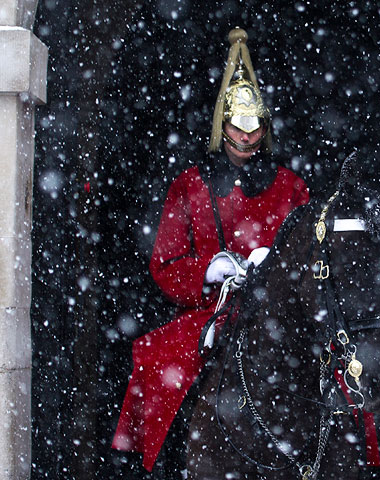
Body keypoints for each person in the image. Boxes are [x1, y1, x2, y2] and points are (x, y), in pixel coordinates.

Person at [112, 27, 310, 472]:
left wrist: (276, 268)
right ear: (223, 124)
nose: (247, 135)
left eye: (255, 125)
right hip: (215, 312)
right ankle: (162, 462)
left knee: (346, 377)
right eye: (239, 126)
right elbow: (164, 264)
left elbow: (313, 258)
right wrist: (211, 270)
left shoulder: (292, 187)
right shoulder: (190, 186)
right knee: (164, 378)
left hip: (282, 314)